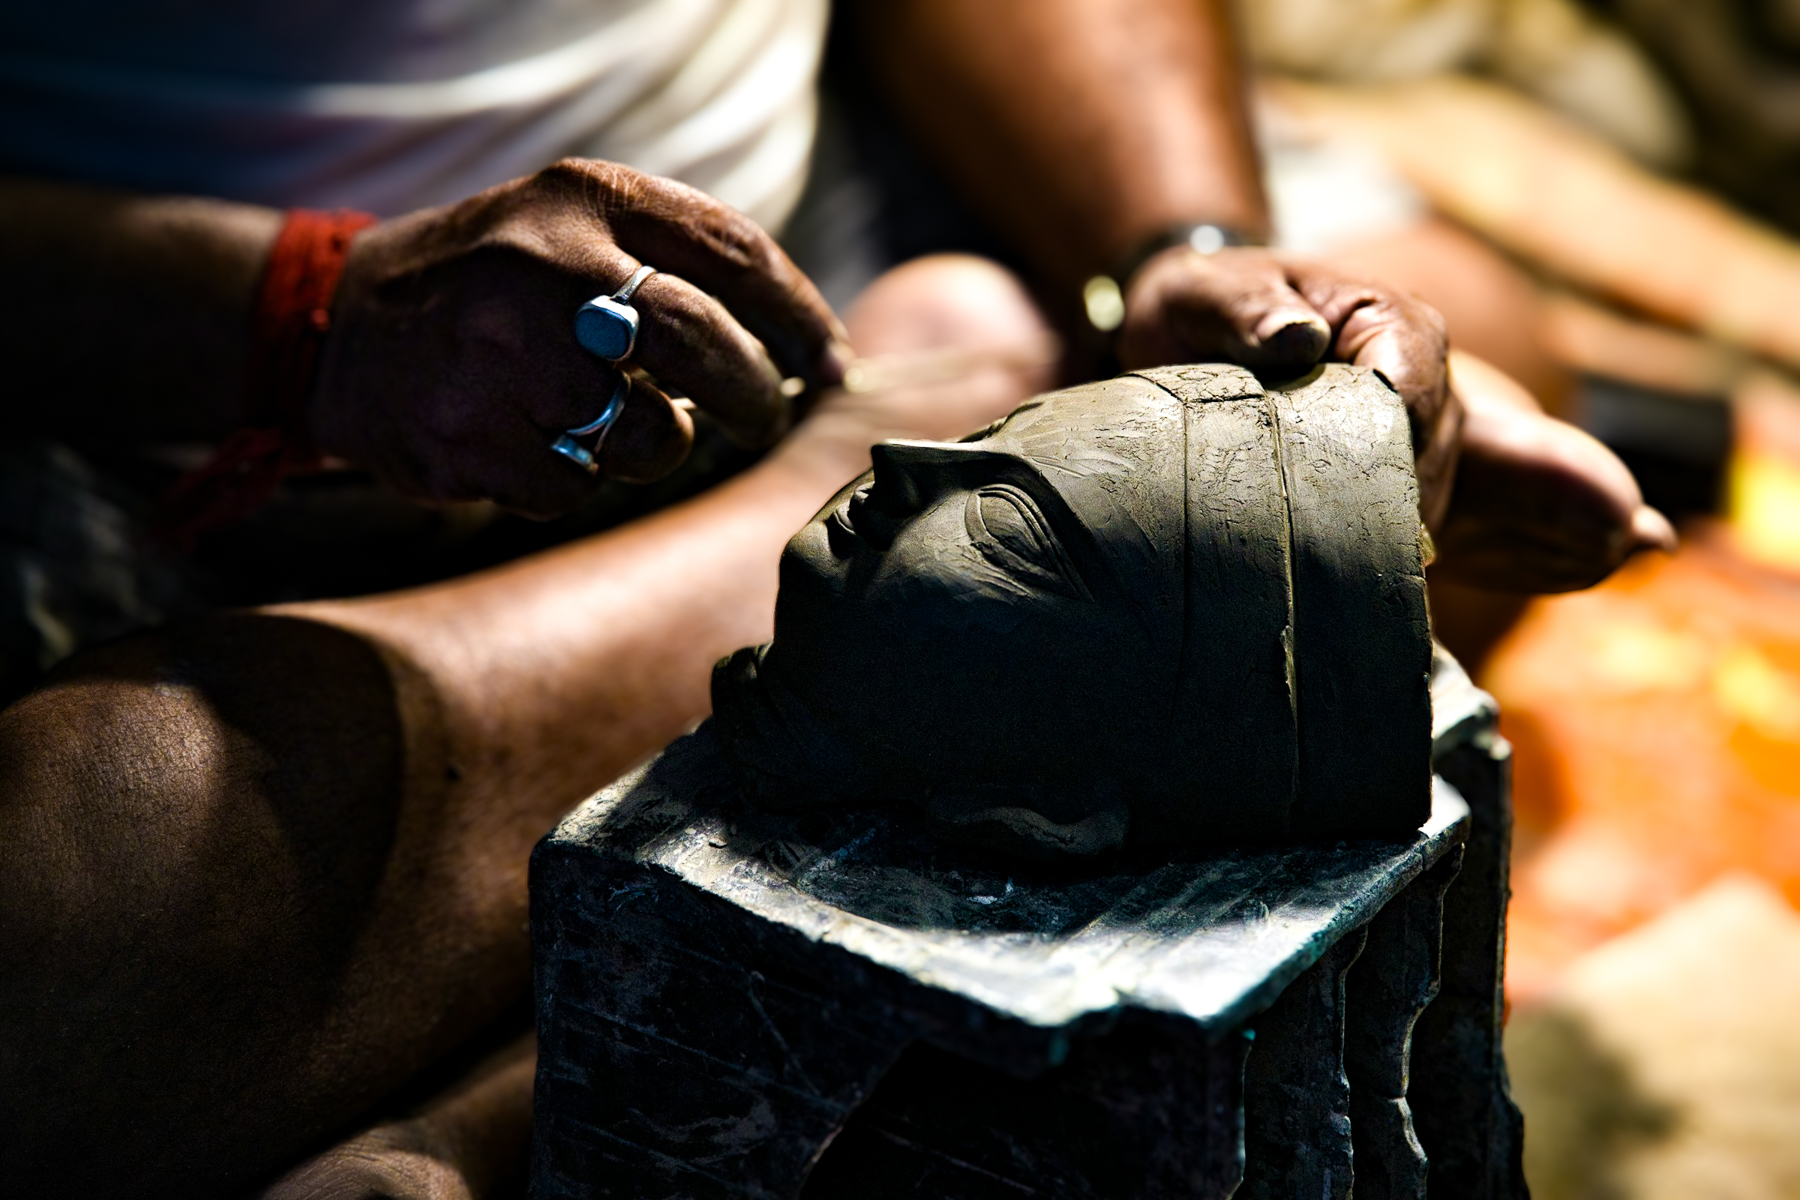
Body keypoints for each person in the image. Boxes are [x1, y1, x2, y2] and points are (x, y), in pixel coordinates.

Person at [0, 0, 1670, 1194]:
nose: (934, 484)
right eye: (975, 468)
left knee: (1460, 365)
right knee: (76, 898)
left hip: (828, 259)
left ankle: (529, 1086)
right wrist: (305, 322)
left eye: (1009, 506)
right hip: (181, 387)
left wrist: (1173, 235)